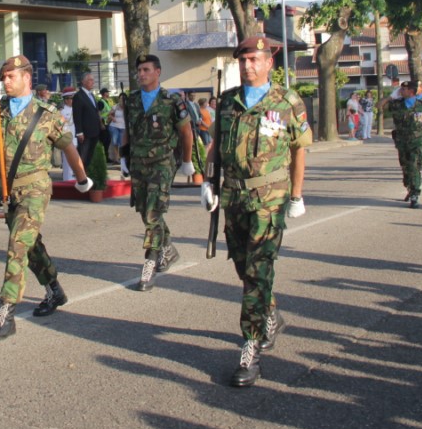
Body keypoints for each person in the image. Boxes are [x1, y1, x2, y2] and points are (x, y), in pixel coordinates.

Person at [199, 36, 309, 388]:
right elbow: (216, 143)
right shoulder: (228, 101)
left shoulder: (287, 102)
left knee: (259, 270)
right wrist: (208, 180)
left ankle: (251, 345)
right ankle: (270, 312)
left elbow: (300, 148)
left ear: (269, 63)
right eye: (243, 60)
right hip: (234, 197)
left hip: (269, 198)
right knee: (243, 266)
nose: (248, 66)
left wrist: (296, 195)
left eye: (255, 60)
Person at [0, 55, 91, 341]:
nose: (5, 81)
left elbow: (68, 148)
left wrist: (82, 179)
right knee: (30, 245)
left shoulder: (47, 114)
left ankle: (6, 312)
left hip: (35, 188)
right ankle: (54, 288)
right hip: (9, 191)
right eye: (3, 76)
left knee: (17, 245)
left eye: (10, 76)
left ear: (27, 78)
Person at [121, 54, 195, 292]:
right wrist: (123, 157)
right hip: (138, 165)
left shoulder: (172, 101)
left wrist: (187, 161)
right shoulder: (131, 101)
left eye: (146, 69)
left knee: (153, 214)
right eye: (139, 70)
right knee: (145, 211)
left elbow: (186, 133)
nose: (141, 74)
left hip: (162, 164)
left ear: (158, 72)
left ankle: (149, 263)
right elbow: (127, 132)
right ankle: (168, 248)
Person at [384, 80, 422, 208]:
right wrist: (390, 96)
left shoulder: (421, 106)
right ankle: (410, 188)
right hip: (401, 142)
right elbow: (379, 106)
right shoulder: (397, 104)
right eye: (401, 89)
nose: (401, 91)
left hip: (416, 142)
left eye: (404, 89)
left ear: (411, 91)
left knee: (414, 167)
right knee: (406, 168)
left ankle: (415, 195)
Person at [71, 72, 103, 167]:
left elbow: (95, 111)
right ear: (83, 82)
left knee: (90, 156)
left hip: (94, 131)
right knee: (83, 156)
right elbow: (77, 115)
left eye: (93, 80)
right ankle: (80, 176)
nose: (92, 82)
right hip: (85, 133)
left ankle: (86, 175)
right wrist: (79, 132)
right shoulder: (78, 96)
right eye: (90, 80)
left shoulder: (91, 95)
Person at [59, 88, 77, 181]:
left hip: (75, 137)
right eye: (71, 98)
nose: (73, 100)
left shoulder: (75, 108)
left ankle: (72, 177)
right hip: (67, 138)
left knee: (75, 161)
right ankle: (67, 179)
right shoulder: (62, 111)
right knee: (67, 162)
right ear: (66, 99)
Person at [108, 93, 126, 162]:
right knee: (115, 141)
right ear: (119, 99)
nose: (122, 100)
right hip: (114, 126)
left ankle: (121, 157)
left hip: (123, 127)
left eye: (123, 98)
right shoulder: (115, 107)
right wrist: (112, 118)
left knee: (121, 142)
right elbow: (109, 115)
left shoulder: (127, 107)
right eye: (121, 98)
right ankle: (117, 158)